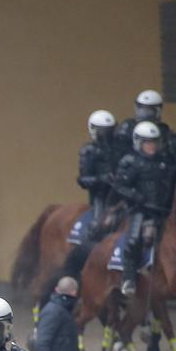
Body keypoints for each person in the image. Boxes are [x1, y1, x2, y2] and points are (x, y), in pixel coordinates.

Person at [58, 110, 123, 287]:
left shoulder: (118, 150)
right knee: (98, 226)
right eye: (103, 130)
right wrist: (103, 179)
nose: (106, 135)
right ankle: (85, 259)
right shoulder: (89, 151)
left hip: (121, 196)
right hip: (100, 197)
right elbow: (83, 179)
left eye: (109, 130)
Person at [112, 121, 174, 296]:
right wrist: (135, 196)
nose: (152, 146)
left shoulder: (163, 163)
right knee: (133, 240)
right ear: (138, 143)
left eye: (154, 142)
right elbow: (119, 186)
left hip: (160, 210)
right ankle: (129, 279)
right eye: (148, 142)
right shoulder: (130, 162)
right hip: (138, 210)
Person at [114, 89, 176, 167]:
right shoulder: (128, 126)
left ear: (158, 111)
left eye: (149, 110)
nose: (144, 114)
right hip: (132, 167)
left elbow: (175, 158)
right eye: (141, 109)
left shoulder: (163, 129)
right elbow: (118, 150)